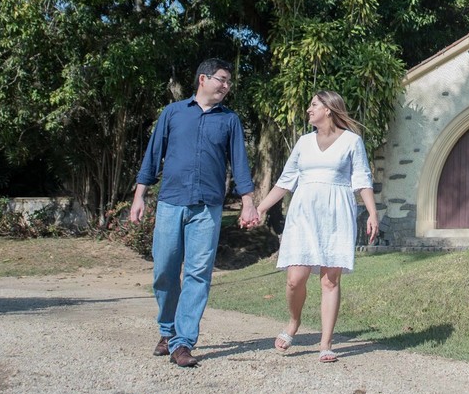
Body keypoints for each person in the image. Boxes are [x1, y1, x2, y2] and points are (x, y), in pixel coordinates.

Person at [130, 58, 259, 368]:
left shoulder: (229, 120)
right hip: (171, 202)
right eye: (222, 79)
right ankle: (167, 330)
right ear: (203, 79)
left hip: (208, 207)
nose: (227, 86)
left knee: (198, 275)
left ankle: (183, 342)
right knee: (164, 270)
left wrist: (248, 201)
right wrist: (139, 196)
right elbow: (152, 156)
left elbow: (239, 163)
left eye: (229, 81)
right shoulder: (173, 113)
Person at [256, 90, 380, 362]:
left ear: (329, 109)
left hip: (337, 214)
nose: (309, 110)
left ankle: (325, 343)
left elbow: (362, 179)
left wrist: (372, 213)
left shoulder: (351, 141)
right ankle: (293, 321)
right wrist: (261, 208)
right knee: (294, 279)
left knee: (329, 279)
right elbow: (285, 181)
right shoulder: (303, 142)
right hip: (303, 213)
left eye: (314, 105)